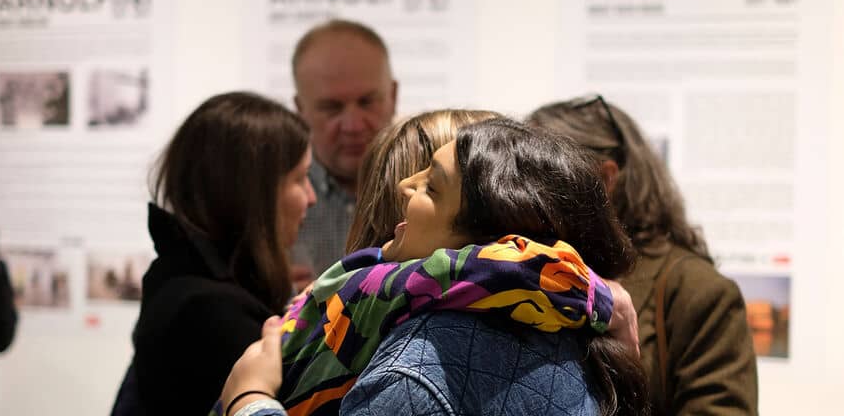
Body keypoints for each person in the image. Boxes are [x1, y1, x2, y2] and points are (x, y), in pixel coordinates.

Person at [218, 115, 648, 416]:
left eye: (432, 186)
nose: (404, 186)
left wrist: (250, 398)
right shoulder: (565, 333)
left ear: (489, 239)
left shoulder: (416, 372)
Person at [528, 95, 758, 416]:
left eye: (540, 175)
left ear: (605, 179)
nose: (520, 192)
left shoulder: (699, 292)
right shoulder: (529, 269)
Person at [112, 92, 316, 415]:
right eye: (300, 178)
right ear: (254, 194)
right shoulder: (213, 312)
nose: (311, 196)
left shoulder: (183, 277)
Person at [291, 19, 398, 282]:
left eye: (367, 102)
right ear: (299, 109)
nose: (353, 126)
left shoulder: (443, 194)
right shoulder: (269, 207)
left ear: (393, 96)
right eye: (331, 107)